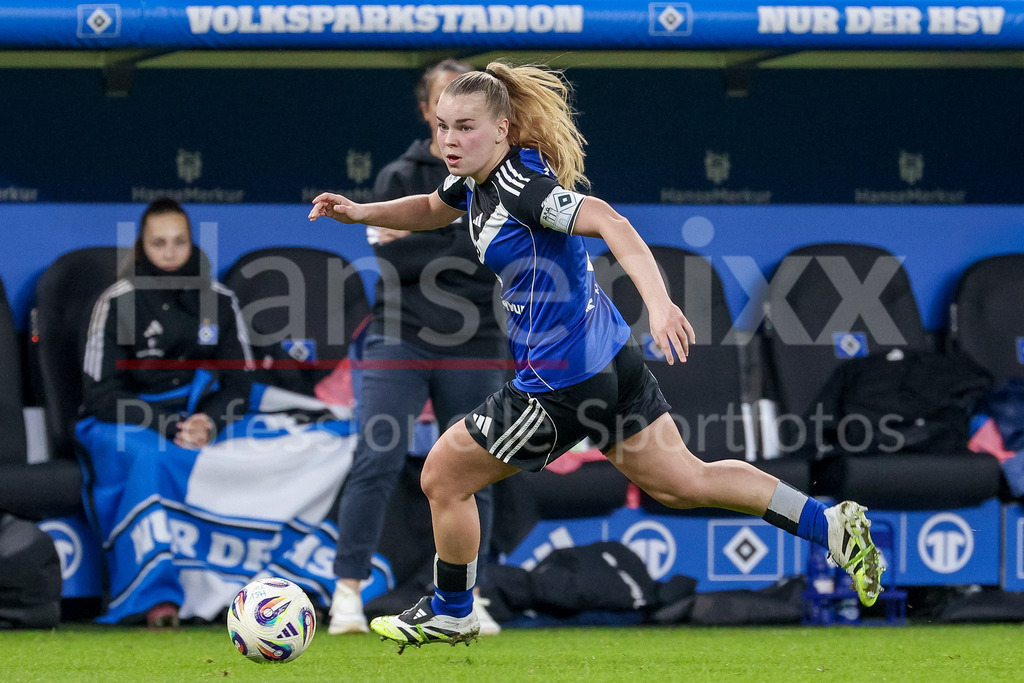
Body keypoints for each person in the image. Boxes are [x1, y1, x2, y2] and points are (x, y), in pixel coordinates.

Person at [309, 61, 884, 650]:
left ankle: (455, 610)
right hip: (611, 360)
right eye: (444, 126)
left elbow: (608, 219)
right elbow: (433, 207)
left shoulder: (519, 186)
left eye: (466, 128)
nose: (451, 141)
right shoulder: (474, 181)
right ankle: (830, 523)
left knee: (442, 476)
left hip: (563, 381)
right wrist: (361, 211)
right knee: (685, 480)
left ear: (504, 129)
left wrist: (660, 304)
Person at [327, 59, 508, 636]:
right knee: (376, 456)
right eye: (442, 105)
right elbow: (396, 262)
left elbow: (487, 263)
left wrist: (431, 239)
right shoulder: (395, 177)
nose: (452, 121)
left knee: (479, 466)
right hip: (399, 335)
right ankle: (347, 597)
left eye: (465, 109)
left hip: (474, 339)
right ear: (427, 110)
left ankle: (468, 597)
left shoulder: (498, 179)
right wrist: (450, 241)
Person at [81, 197, 254, 627]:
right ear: (142, 247)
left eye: (180, 242)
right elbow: (101, 395)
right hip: (118, 421)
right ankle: (153, 597)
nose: (171, 253)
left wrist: (210, 421)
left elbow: (239, 385)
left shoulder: (218, 299)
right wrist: (170, 425)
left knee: (287, 445)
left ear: (192, 243)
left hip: (196, 419)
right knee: (150, 457)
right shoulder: (118, 301)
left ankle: (257, 588)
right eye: (160, 243)